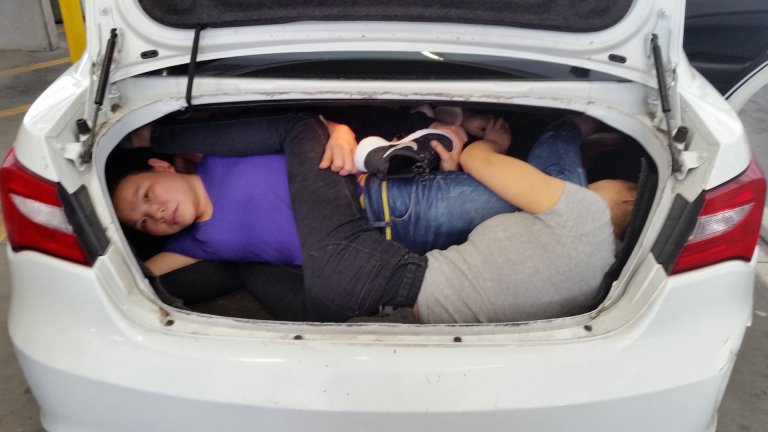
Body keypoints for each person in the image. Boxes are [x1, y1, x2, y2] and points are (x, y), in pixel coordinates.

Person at [110, 111, 635, 323]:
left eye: (145, 194)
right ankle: (555, 138)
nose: (154, 212)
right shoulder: (197, 246)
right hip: (395, 255)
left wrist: (338, 129)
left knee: (550, 202)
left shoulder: (222, 157)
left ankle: (549, 137)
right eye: (143, 223)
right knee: (558, 203)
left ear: (161, 165)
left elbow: (308, 134)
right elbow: (131, 278)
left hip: (388, 202)